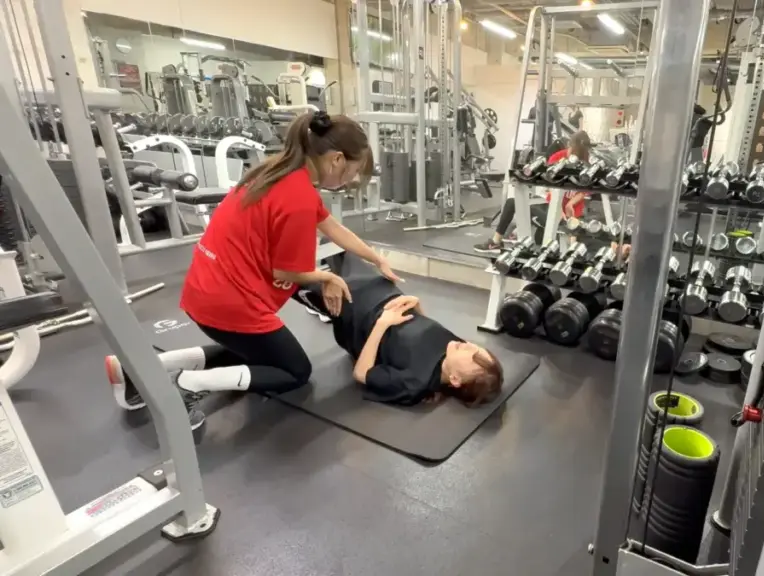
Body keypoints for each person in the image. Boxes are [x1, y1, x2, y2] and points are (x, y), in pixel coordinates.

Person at [105, 111, 402, 429]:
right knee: (294, 371)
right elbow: (287, 272)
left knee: (257, 352)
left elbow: (329, 226)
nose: (349, 180)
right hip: (231, 304)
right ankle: (188, 385)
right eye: (352, 171)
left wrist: (376, 258)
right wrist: (329, 276)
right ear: (337, 160)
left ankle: (139, 369)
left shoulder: (276, 171)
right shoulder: (298, 197)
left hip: (202, 292)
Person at [294, 253, 505, 406]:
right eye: (476, 349)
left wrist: (382, 324)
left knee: (283, 275)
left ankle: (319, 304)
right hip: (379, 288)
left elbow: (361, 373)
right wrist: (416, 305)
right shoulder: (455, 347)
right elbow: (423, 331)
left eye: (472, 355)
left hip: (355, 312)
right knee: (336, 246)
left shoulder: (414, 382)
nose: (469, 345)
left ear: (455, 380)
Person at [474, 130, 593, 254]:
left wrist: (570, 204)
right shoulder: (557, 158)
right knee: (512, 202)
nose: (574, 156)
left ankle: (569, 250)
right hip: (551, 209)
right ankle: (496, 242)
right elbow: (550, 188)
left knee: (571, 236)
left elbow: (583, 191)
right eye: (573, 151)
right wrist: (559, 209)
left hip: (570, 217)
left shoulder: (586, 164)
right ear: (570, 145)